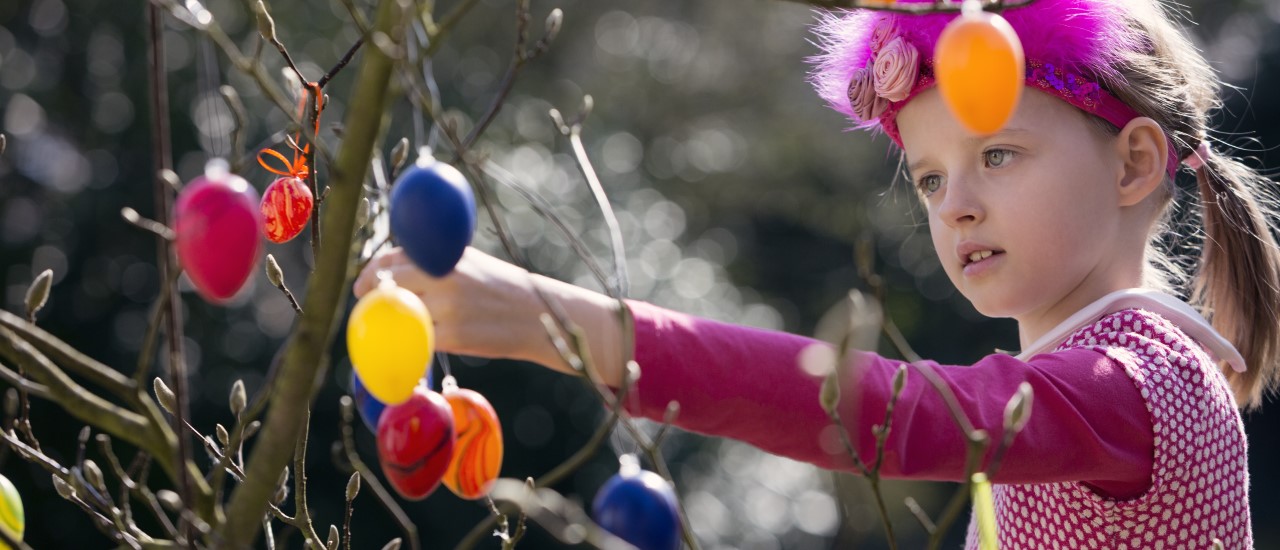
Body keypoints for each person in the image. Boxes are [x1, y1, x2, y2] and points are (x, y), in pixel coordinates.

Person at [356, 0, 1279, 547]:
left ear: (1133, 165)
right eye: (929, 175)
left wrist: (560, 325)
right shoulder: (1106, 371)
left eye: (998, 155)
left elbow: (881, 413)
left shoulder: (1141, 383)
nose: (954, 203)